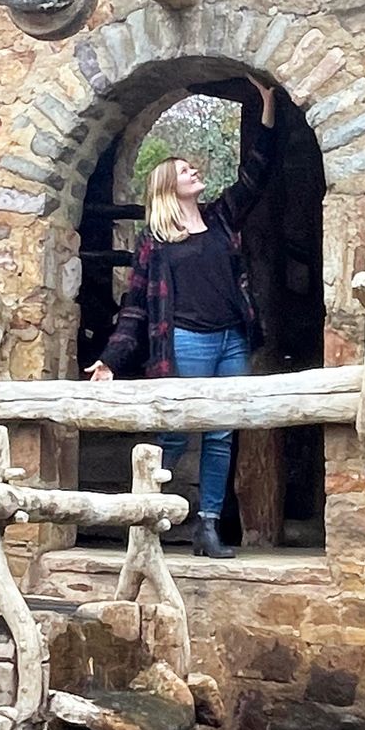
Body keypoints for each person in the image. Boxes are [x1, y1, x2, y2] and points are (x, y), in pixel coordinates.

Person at [87, 78, 277, 559]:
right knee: (174, 432)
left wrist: (268, 111)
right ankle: (144, 516)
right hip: (186, 342)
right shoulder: (155, 243)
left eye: (193, 168)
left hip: (231, 339)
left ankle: (207, 527)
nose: (195, 172)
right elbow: (134, 307)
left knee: (220, 434)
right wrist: (110, 358)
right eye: (185, 170)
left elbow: (256, 175)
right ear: (168, 186)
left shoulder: (220, 218)